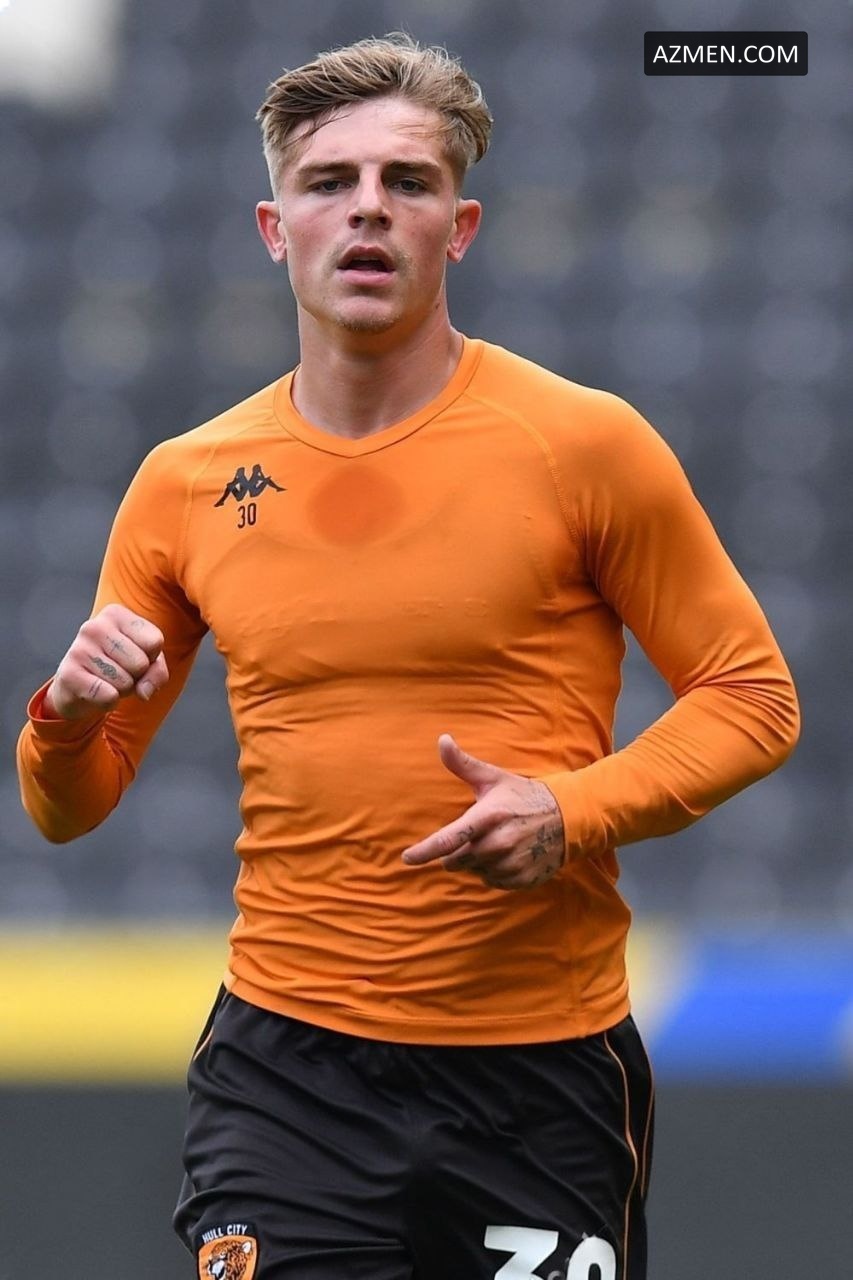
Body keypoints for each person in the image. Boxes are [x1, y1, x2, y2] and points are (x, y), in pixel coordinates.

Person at [17, 32, 799, 1280]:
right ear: (275, 228)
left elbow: (753, 696)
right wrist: (63, 714)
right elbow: (70, 804)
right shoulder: (186, 481)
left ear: (460, 226)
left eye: (408, 181)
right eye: (329, 182)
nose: (367, 209)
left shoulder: (582, 445)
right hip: (287, 1076)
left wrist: (570, 809)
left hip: (538, 1073)